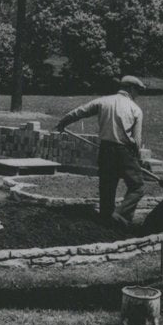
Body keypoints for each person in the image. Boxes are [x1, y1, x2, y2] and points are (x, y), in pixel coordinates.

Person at [56, 76, 146, 227]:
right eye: (138, 91)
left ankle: (106, 219)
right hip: (124, 151)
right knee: (138, 186)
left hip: (105, 150)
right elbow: (137, 140)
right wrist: (138, 157)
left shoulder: (103, 101)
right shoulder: (135, 109)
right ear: (131, 89)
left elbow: (79, 111)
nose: (138, 95)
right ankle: (121, 214)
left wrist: (63, 122)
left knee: (107, 186)